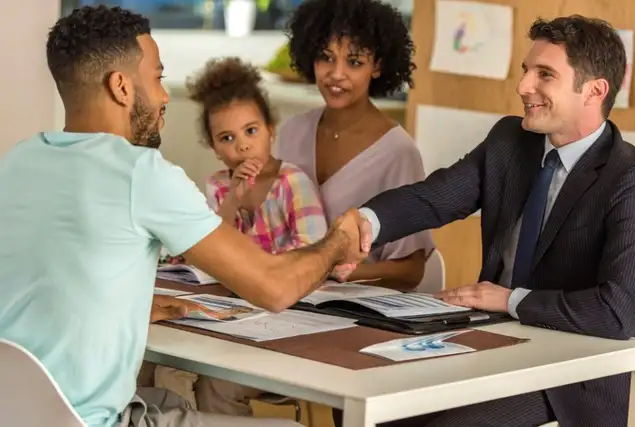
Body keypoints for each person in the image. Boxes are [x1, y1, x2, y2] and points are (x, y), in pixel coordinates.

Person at [0, 6, 366, 427]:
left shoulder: (18, 161)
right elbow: (275, 288)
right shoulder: (139, 172)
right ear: (121, 86)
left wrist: (129, 307)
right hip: (92, 421)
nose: (164, 96)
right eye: (157, 77)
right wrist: (338, 242)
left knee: (168, 398)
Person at [348, 15, 635, 427]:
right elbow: (434, 198)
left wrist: (508, 300)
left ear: (595, 90)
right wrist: (363, 224)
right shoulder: (509, 140)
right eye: (525, 70)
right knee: (376, 407)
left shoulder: (629, 178)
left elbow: (618, 312)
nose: (523, 86)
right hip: (483, 342)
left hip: (566, 380)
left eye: (544, 74)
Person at [155, 57, 328, 414]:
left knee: (214, 384)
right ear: (214, 148)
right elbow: (211, 250)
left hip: (288, 314)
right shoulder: (218, 186)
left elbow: (314, 256)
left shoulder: (292, 182)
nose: (243, 146)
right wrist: (233, 199)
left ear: (271, 130)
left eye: (251, 131)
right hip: (232, 312)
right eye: (227, 138)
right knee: (165, 367)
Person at [275, 0, 435, 292]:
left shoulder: (398, 153)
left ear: (378, 66)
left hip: (353, 305)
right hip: (285, 296)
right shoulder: (292, 132)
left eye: (354, 62)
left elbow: (411, 270)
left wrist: (335, 272)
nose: (337, 74)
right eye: (326, 57)